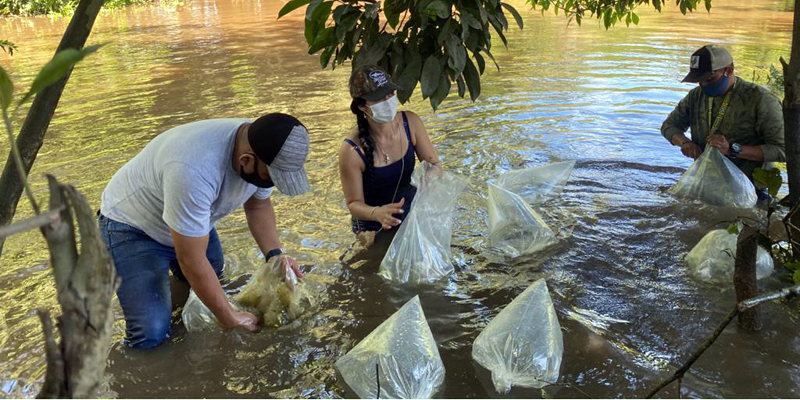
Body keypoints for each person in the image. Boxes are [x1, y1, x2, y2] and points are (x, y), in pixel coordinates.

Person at [98, 113, 310, 349]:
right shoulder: (193, 169)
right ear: (246, 160)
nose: (271, 184)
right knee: (150, 334)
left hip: (188, 219)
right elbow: (191, 259)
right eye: (271, 178)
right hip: (132, 227)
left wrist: (275, 256)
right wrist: (230, 318)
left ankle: (169, 297)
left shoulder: (265, 143)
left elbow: (258, 205)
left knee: (213, 270)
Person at [661, 44, 785, 199]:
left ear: (729, 71)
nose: (704, 84)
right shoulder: (695, 96)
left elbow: (782, 150)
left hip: (751, 190)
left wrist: (732, 149)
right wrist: (685, 143)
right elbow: (669, 126)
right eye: (699, 80)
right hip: (706, 183)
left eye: (709, 78)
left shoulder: (761, 100)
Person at [338, 65, 441, 246]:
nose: (388, 100)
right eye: (379, 98)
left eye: (390, 94)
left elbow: (434, 164)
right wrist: (376, 213)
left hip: (411, 212)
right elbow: (353, 203)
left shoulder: (411, 123)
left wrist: (430, 176)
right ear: (362, 105)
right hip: (373, 225)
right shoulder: (352, 151)